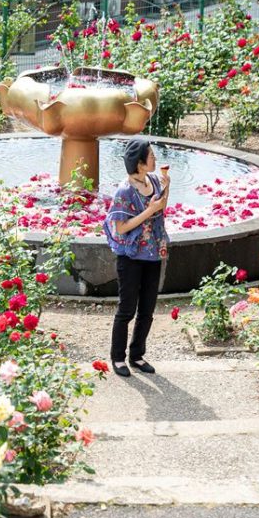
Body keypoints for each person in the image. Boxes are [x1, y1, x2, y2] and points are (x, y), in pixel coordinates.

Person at [103, 139, 170, 377]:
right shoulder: (125, 190)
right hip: (131, 256)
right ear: (140, 163)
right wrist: (149, 211)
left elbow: (160, 209)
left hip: (153, 253)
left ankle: (137, 355)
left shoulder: (152, 180)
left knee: (147, 309)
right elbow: (121, 227)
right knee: (127, 309)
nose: (154, 158)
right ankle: (118, 357)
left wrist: (167, 187)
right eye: (150, 155)